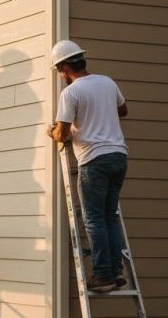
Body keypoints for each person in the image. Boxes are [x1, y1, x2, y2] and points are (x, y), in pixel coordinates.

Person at [47, 40, 128, 293]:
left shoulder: (70, 93)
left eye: (60, 71)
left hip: (94, 159)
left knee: (94, 219)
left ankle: (103, 275)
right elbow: (123, 110)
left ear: (64, 68)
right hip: (119, 155)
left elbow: (61, 134)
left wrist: (52, 132)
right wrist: (99, 115)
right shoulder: (107, 82)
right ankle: (115, 271)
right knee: (108, 217)